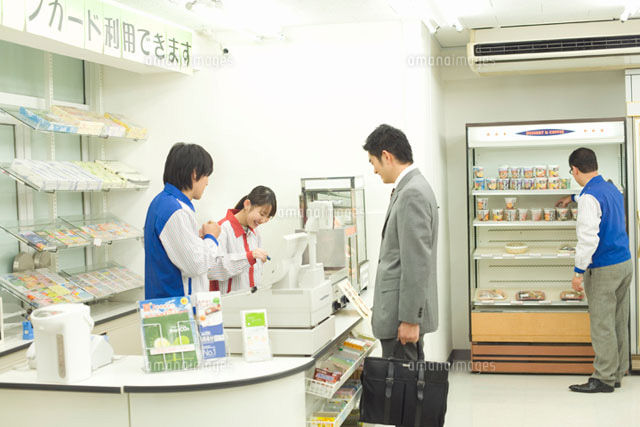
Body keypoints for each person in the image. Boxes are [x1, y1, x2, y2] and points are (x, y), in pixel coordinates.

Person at [556, 147, 631, 393]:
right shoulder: (610, 187)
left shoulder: (589, 197)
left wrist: (578, 272)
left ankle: (603, 379)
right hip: (624, 263)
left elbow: (588, 239)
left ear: (575, 170)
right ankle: (617, 373)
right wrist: (571, 197)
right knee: (618, 320)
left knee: (602, 324)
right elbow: (593, 200)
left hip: (604, 268)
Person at [363, 124, 439, 360]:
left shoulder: (412, 193)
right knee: (406, 379)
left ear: (386, 156)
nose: (374, 170)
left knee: (401, 380)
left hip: (401, 320)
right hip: (398, 316)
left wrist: (410, 319)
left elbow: (416, 263)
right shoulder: (411, 188)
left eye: (373, 162)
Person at [144, 143, 222, 299]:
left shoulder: (162, 202)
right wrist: (211, 237)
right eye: (206, 175)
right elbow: (195, 265)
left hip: (164, 301)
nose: (207, 182)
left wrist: (197, 241)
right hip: (177, 305)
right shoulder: (176, 210)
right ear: (195, 173)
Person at [208, 186, 276, 294]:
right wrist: (249, 257)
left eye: (268, 217)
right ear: (247, 204)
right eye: (262, 214)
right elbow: (212, 270)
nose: (263, 220)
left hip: (250, 300)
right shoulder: (222, 229)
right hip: (229, 302)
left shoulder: (255, 233)